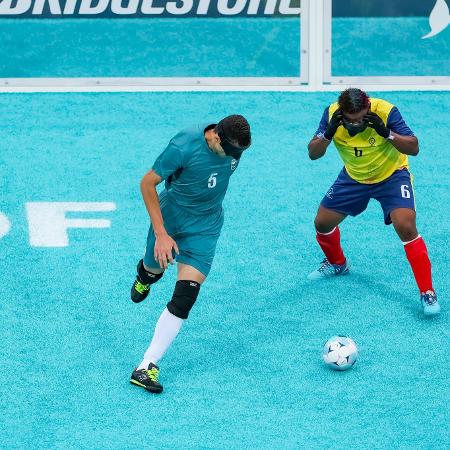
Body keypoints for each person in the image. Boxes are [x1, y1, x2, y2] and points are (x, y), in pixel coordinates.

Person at [129, 115, 251, 393]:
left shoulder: (234, 147)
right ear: (216, 137)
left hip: (206, 226)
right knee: (153, 270)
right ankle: (144, 277)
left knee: (186, 295)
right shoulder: (183, 145)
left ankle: (146, 365)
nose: (235, 157)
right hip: (171, 218)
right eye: (232, 151)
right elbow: (148, 184)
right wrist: (161, 234)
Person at [307, 88, 440, 316]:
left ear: (368, 108)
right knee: (322, 223)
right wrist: (328, 133)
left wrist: (387, 133)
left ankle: (427, 292)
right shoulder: (331, 114)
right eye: (351, 120)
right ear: (342, 114)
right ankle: (338, 263)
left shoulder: (386, 111)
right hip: (354, 177)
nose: (356, 124)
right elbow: (313, 153)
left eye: (361, 118)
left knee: (406, 226)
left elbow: (414, 147)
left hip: (392, 175)